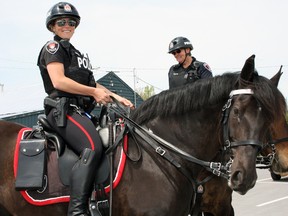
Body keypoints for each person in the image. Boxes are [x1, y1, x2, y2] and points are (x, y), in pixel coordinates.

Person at [37, 2, 133, 216]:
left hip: (81, 112)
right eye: (61, 22)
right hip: (62, 111)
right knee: (92, 147)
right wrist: (93, 93)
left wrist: (117, 97)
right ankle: (77, 210)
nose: (67, 25)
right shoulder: (52, 48)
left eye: (71, 22)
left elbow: (93, 84)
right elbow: (59, 81)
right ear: (52, 26)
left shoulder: (77, 53)